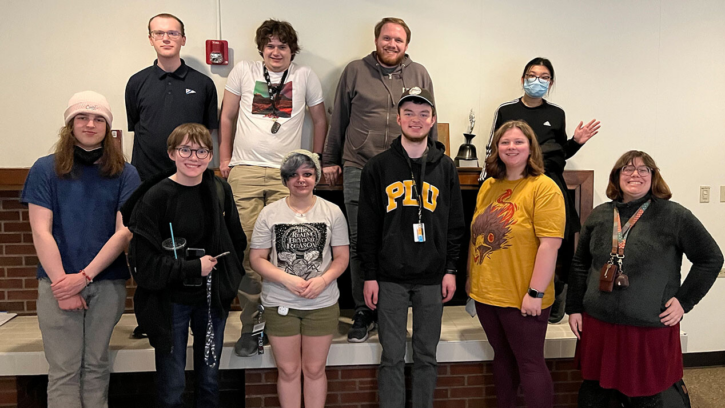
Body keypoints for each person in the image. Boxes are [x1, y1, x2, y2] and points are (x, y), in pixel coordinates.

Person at [566, 150, 723, 408]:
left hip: (648, 330)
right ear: (616, 177)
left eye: (643, 169)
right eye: (627, 169)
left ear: (653, 176)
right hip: (598, 324)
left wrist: (684, 302)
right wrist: (573, 308)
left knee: (647, 399)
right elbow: (580, 263)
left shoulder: (674, 216)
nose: (634, 174)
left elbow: (711, 258)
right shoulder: (599, 215)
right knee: (597, 394)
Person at [22, 91, 140, 407]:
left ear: (107, 126)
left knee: (96, 366)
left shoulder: (126, 173)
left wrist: (84, 277)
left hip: (106, 284)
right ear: (70, 125)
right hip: (55, 284)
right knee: (64, 370)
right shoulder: (44, 169)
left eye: (98, 118)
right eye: (82, 118)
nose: (90, 124)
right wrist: (65, 284)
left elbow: (123, 233)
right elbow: (40, 231)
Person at [323, 17, 436, 343]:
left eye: (399, 40)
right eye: (387, 38)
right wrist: (330, 159)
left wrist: (431, 161)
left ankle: (392, 304)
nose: (392, 44)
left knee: (397, 238)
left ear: (406, 45)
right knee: (361, 241)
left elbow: (430, 117)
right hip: (359, 166)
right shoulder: (355, 71)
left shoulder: (419, 74)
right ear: (376, 40)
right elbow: (339, 117)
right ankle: (363, 308)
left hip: (404, 168)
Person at [218, 19, 327, 356]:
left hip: (287, 174)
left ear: (291, 49)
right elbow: (227, 116)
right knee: (251, 254)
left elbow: (321, 119)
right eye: (270, 45)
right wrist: (225, 158)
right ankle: (253, 328)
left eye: (282, 45)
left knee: (287, 253)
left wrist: (315, 161)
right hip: (246, 171)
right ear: (261, 48)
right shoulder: (243, 71)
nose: (276, 51)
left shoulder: (305, 75)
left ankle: (284, 323)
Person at [122, 123, 246, 408]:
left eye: (202, 150)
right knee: (172, 382)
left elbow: (236, 240)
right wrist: (191, 268)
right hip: (171, 300)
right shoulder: (155, 197)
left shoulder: (219, 190)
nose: (194, 157)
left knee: (210, 380)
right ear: (171, 153)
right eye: (186, 149)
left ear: (210, 155)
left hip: (211, 298)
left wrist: (228, 282)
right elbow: (144, 262)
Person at [358, 88, 464, 408]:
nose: (416, 120)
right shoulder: (377, 167)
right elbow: (367, 227)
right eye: (409, 113)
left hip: (432, 277)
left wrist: (450, 270)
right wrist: (370, 275)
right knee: (390, 357)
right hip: (389, 276)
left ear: (432, 121)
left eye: (423, 114)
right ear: (398, 118)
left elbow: (454, 224)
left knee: (426, 356)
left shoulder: (446, 167)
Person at [480, 57, 601, 323]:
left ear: (551, 82)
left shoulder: (556, 113)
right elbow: (493, 149)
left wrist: (576, 143)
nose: (537, 80)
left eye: (544, 77)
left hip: (550, 182)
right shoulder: (506, 109)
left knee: (563, 238)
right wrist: (486, 186)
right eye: (532, 75)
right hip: (514, 184)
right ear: (523, 79)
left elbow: (560, 153)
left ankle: (555, 291)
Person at [468, 120, 565, 408]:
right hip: (487, 294)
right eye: (505, 142)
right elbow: (475, 237)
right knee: (502, 356)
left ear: (531, 148)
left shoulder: (544, 187)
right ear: (496, 148)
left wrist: (535, 293)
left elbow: (550, 244)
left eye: (518, 142)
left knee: (530, 362)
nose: (511, 147)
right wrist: (471, 283)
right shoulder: (488, 186)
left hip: (523, 296)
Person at [249, 150, 349, 408]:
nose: (301, 179)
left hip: (322, 304)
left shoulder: (333, 212)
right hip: (280, 303)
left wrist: (323, 280)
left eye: (307, 174)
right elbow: (257, 258)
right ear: (285, 180)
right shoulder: (270, 213)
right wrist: (286, 279)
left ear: (316, 177)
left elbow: (341, 258)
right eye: (293, 175)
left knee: (315, 370)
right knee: (289, 370)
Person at [126, 13, 219, 181]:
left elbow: (207, 130)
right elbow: (137, 125)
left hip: (190, 175)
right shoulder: (136, 82)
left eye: (173, 33)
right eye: (159, 33)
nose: (166, 38)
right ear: (150, 39)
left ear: (183, 39)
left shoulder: (203, 84)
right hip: (146, 177)